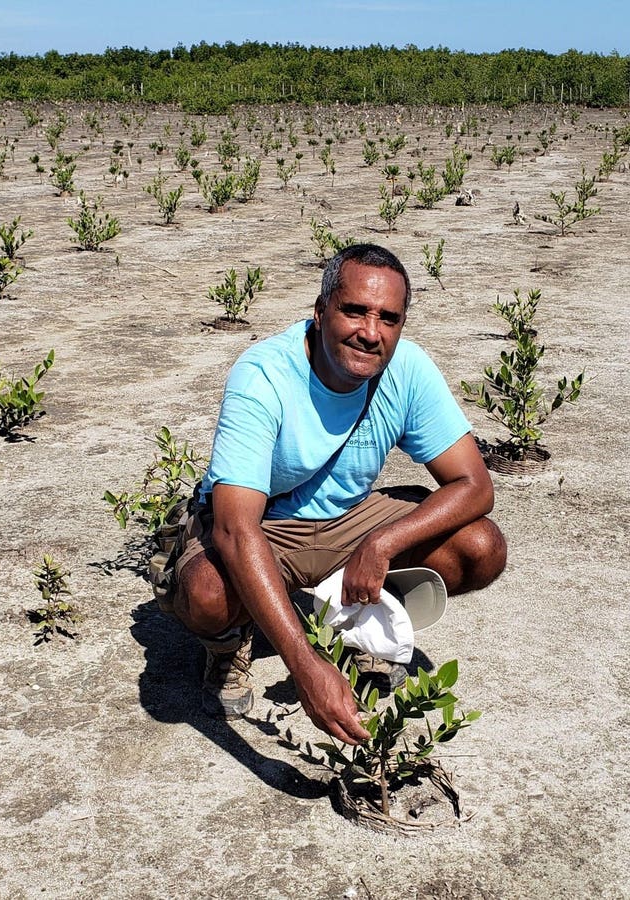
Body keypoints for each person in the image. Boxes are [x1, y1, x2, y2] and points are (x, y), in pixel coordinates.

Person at [171, 243, 506, 745]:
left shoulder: (408, 370)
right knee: (208, 594)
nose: (371, 333)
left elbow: (474, 485)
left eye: (389, 319)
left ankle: (365, 627)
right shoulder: (263, 375)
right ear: (321, 310)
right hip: (267, 525)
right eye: (355, 311)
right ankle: (227, 645)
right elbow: (234, 529)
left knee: (480, 548)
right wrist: (305, 667)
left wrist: (382, 544)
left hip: (349, 520)